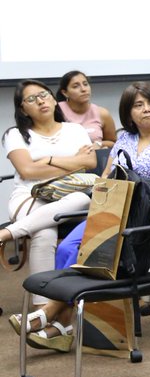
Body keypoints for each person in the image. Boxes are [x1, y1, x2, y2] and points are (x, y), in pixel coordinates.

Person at [49, 82, 150, 346]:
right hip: (112, 209)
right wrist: (109, 197)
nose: (146, 110)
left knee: (94, 250)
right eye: (138, 105)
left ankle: (53, 315)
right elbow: (106, 177)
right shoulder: (124, 138)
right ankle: (64, 317)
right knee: (67, 248)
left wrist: (131, 193)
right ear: (128, 112)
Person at [3, 81, 96, 342]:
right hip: (29, 197)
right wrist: (70, 163)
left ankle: (7, 234)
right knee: (43, 233)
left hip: (71, 199)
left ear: (55, 100)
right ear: (22, 108)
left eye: (44, 95)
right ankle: (42, 312)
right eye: (32, 99)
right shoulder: (15, 134)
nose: (41, 101)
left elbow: (89, 163)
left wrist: (48, 160)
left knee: (80, 197)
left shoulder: (74, 129)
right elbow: (28, 172)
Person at [56, 70, 116, 150]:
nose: (83, 89)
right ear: (65, 93)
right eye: (75, 86)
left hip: (95, 159)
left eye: (85, 84)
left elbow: (113, 142)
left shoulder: (102, 113)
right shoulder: (56, 111)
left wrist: (99, 144)